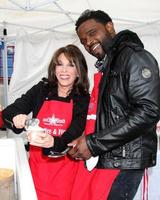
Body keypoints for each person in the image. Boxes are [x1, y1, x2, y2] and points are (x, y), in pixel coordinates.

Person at [68, 10, 160, 200]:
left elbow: (149, 111)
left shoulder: (135, 57)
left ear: (109, 27)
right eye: (83, 40)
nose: (88, 42)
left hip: (126, 162)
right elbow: (113, 114)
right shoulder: (110, 63)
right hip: (111, 158)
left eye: (92, 33)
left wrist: (93, 143)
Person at [2, 44, 90, 200]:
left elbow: (74, 132)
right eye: (59, 64)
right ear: (54, 68)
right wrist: (16, 119)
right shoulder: (42, 90)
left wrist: (53, 142)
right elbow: (9, 112)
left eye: (70, 65)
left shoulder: (83, 98)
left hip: (67, 173)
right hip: (37, 170)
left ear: (78, 72)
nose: (63, 71)